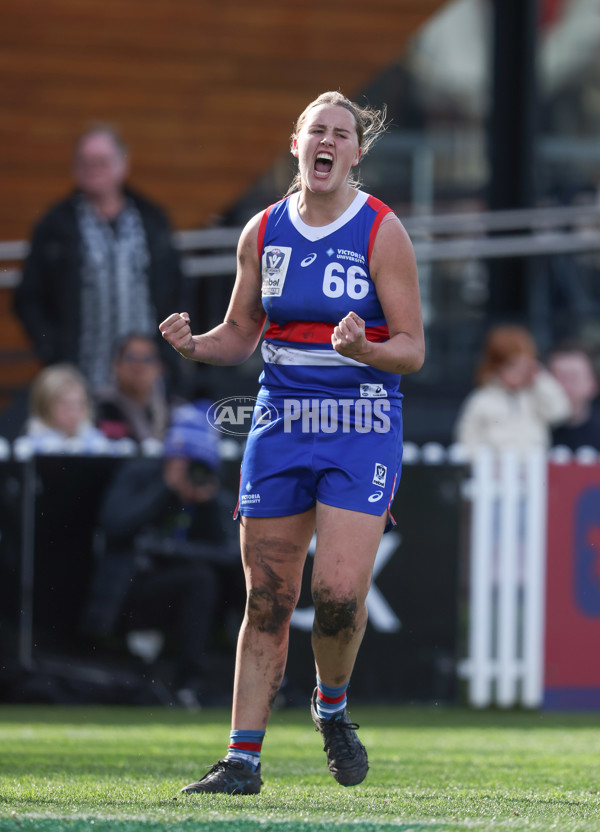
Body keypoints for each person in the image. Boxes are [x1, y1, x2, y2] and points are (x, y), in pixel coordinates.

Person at [160, 90, 425, 794]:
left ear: (355, 153)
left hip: (361, 422)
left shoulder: (379, 230)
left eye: (341, 133)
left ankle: (330, 707)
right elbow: (241, 332)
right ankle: (241, 759)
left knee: (337, 597)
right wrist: (197, 346)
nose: (327, 141)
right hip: (281, 422)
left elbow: (412, 348)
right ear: (297, 144)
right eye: (316, 131)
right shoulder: (264, 230)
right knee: (268, 600)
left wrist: (366, 348)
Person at [80, 401, 243, 707]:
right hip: (127, 591)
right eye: (184, 458)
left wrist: (205, 505)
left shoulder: (210, 491)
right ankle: (186, 682)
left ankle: (194, 684)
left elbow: (232, 553)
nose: (190, 468)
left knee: (204, 579)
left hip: (187, 590)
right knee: (199, 578)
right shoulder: (141, 473)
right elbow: (113, 525)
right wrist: (165, 488)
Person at [13, 123, 184, 394]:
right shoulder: (55, 225)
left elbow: (176, 289)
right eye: (84, 162)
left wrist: (171, 353)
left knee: (148, 433)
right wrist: (53, 352)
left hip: (146, 373)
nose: (93, 169)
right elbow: (28, 297)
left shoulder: (151, 219)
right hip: (80, 376)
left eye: (101, 162)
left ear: (122, 165)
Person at [454, 324, 571, 457]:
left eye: (524, 365)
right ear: (496, 366)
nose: (519, 371)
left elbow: (559, 412)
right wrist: (478, 463)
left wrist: (540, 378)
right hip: (494, 470)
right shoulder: (482, 399)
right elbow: (467, 437)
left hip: (533, 468)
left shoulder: (534, 395)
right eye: (511, 365)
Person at [94, 333, 172, 443]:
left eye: (147, 359)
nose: (139, 367)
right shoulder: (99, 407)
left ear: (159, 368)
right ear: (116, 365)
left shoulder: (173, 410)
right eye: (130, 358)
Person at [22, 363, 105, 450]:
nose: (74, 412)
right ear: (45, 406)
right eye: (65, 404)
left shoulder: (97, 444)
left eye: (80, 404)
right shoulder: (30, 447)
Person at [547, 340, 600, 450]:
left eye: (573, 378)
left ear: (594, 384)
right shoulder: (531, 431)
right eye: (558, 377)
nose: (565, 386)